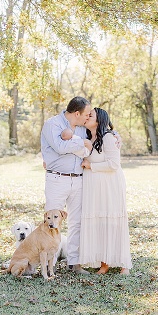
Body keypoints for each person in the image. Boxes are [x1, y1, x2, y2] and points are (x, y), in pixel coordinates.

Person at [40, 97, 93, 274]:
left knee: (76, 222)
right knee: (51, 223)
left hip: (78, 178)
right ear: (77, 113)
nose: (88, 117)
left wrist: (77, 144)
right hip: (57, 179)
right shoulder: (52, 124)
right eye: (86, 114)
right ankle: (49, 265)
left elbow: (87, 150)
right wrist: (80, 143)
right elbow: (59, 147)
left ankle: (74, 263)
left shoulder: (83, 128)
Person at [78, 107, 132, 274]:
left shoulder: (109, 137)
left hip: (110, 186)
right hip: (94, 187)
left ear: (99, 120)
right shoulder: (87, 136)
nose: (87, 117)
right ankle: (104, 263)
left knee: (113, 222)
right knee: (100, 222)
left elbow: (114, 164)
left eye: (90, 115)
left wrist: (90, 165)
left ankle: (124, 264)